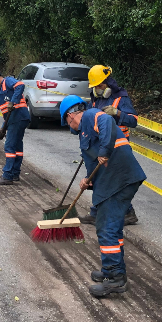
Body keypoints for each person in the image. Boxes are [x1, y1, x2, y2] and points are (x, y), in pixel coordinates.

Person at [60, 95, 146, 297]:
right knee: (110, 227)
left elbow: (107, 120)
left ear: (71, 115)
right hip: (113, 181)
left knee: (107, 227)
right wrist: (87, 181)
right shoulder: (85, 133)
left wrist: (105, 150)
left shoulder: (90, 115)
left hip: (120, 178)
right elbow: (95, 167)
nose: (70, 127)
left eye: (68, 122)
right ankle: (111, 271)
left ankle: (115, 279)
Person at [80, 65, 140, 226]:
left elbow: (133, 121)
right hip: (99, 146)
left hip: (118, 147)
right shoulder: (95, 100)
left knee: (112, 179)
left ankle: (109, 212)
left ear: (107, 83)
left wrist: (118, 113)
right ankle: (109, 212)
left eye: (100, 86)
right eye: (95, 87)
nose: (98, 89)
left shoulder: (121, 97)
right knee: (101, 178)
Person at [0, 69, 30, 185]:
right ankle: (15, 173)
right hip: (17, 119)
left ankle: (7, 175)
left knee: (9, 146)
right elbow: (7, 113)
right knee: (17, 146)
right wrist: (3, 128)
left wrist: (13, 102)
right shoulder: (2, 91)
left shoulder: (7, 81)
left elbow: (20, 85)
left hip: (18, 118)